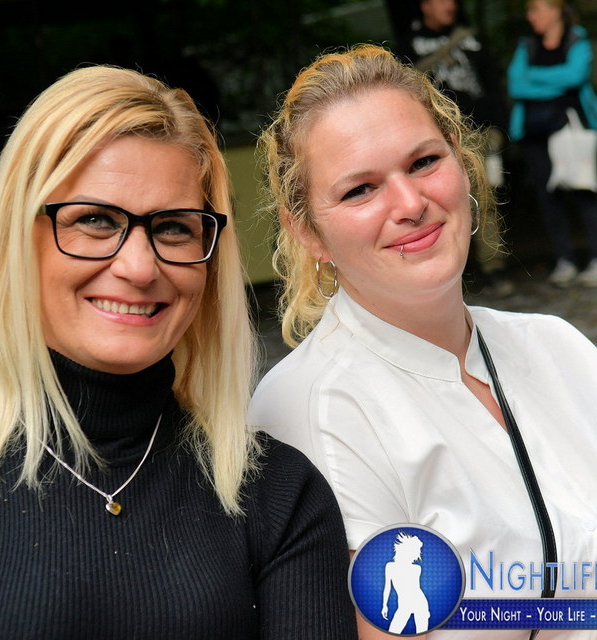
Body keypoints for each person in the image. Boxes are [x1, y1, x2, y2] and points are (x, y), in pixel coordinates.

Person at [0, 65, 358, 639]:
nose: (140, 267)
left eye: (173, 228)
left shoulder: (277, 494)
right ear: (18, 238)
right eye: (96, 220)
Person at [249, 44, 597, 639]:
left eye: (424, 162)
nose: (410, 204)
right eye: (360, 189)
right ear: (307, 230)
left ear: (462, 162)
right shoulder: (314, 409)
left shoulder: (556, 346)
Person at [397, 0, 514, 298]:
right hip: (436, 139)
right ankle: (449, 275)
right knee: (435, 206)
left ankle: (493, 268)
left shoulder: (470, 38)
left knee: (484, 201)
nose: (449, 5)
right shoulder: (409, 45)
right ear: (425, 6)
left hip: (480, 133)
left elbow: (491, 83)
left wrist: (499, 128)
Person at [508, 0, 597, 287]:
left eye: (535, 10)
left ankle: (595, 258)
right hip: (534, 134)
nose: (530, 16)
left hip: (572, 130)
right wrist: (556, 82)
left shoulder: (577, 40)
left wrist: (534, 76)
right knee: (548, 197)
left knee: (584, 190)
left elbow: (576, 76)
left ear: (555, 10)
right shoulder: (527, 46)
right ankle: (564, 260)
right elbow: (515, 84)